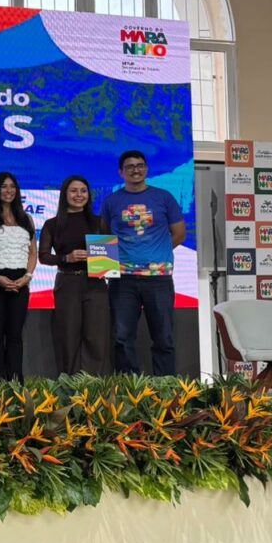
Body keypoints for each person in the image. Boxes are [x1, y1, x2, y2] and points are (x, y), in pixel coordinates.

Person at [101, 150, 186, 376]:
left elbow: (179, 234)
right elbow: (105, 236)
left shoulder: (164, 198)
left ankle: (165, 386)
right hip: (122, 280)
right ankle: (130, 386)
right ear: (121, 172)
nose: (135, 170)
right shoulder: (111, 201)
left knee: (164, 337)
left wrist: (157, 253)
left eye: (139, 165)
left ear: (146, 169)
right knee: (122, 337)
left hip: (158, 279)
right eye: (129, 167)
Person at [39, 175, 112, 376]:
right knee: (68, 335)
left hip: (96, 284)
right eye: (73, 191)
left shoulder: (98, 222)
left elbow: (108, 260)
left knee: (96, 337)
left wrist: (100, 259)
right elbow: (43, 257)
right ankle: (69, 383)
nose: (79, 195)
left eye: (83, 191)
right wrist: (66, 258)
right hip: (67, 282)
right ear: (64, 194)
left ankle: (93, 383)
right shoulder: (52, 224)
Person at [0, 172, 37, 383]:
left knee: (15, 335)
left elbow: (32, 253)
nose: (9, 191)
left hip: (21, 282)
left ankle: (16, 382)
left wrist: (27, 276)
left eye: (12, 186)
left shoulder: (26, 219)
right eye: (4, 186)